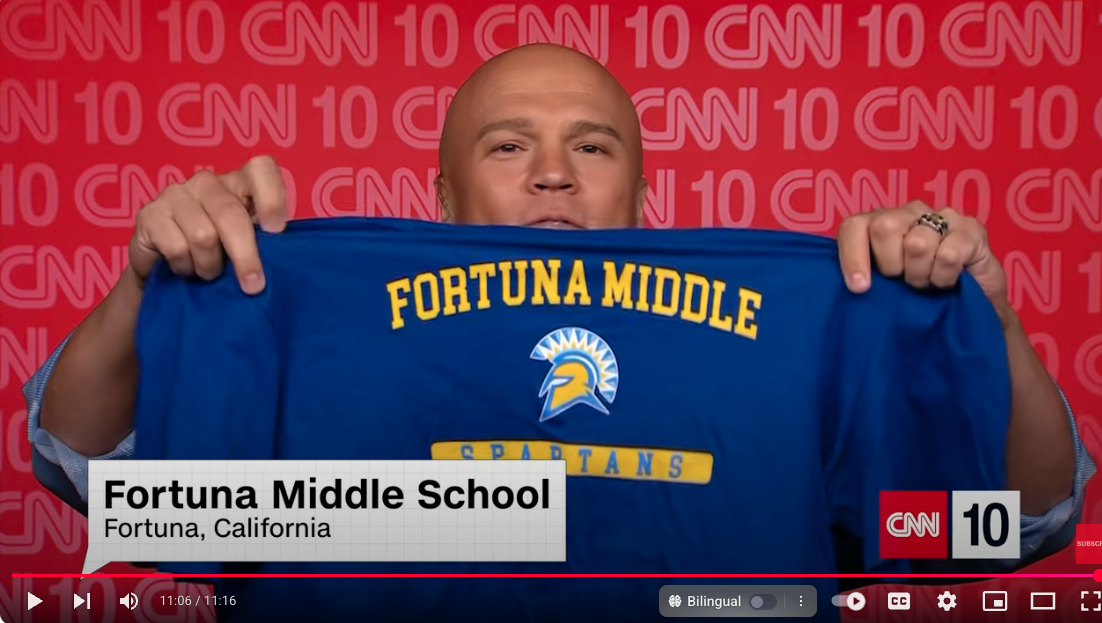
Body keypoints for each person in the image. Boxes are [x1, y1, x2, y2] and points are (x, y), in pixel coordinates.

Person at [25, 42, 1091, 579]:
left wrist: (979, 318)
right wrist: (148, 281)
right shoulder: (290, 297)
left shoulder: (819, 312)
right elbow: (106, 483)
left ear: (640, 194)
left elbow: (1009, 529)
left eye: (591, 144)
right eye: (506, 145)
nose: (550, 175)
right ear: (439, 199)